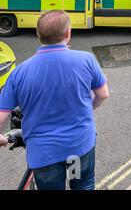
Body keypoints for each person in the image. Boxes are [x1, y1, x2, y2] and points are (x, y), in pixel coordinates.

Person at [0, 10, 109, 190]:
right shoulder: (86, 60)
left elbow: (2, 115)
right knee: (83, 185)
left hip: (44, 154)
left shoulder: (19, 72)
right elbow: (103, 94)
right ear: (68, 33)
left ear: (38, 34)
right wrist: (88, 109)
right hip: (79, 147)